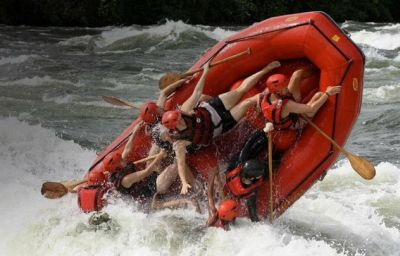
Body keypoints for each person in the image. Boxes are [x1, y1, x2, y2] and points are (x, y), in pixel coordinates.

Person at [161, 60, 281, 194]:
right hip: (222, 124)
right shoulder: (180, 142)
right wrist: (183, 183)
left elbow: (197, 92)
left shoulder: (183, 110)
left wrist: (205, 72)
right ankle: (273, 102)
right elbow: (181, 164)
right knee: (247, 103)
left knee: (241, 90)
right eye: (178, 120)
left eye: (178, 116)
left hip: (214, 107)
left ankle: (266, 69)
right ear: (175, 125)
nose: (180, 118)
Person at [259, 69, 341, 151]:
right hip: (295, 121)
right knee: (319, 95)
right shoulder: (287, 105)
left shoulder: (268, 94)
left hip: (286, 109)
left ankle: (317, 71)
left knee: (296, 74)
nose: (287, 88)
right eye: (285, 88)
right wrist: (328, 93)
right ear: (278, 92)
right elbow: (311, 108)